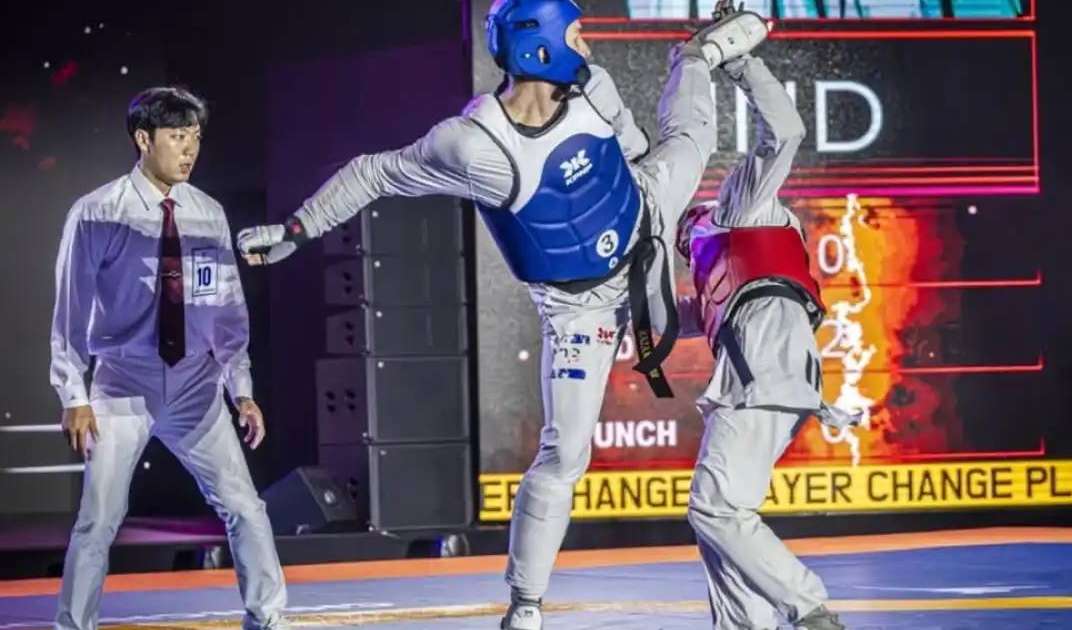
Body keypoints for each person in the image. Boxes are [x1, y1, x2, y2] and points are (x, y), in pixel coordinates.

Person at [234, 2, 769, 627]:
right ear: (540, 49)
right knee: (565, 453)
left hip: (646, 215)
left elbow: (636, 151)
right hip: (579, 311)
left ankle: (696, 55)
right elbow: (372, 174)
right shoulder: (471, 144)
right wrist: (295, 230)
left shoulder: (594, 87)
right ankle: (526, 604)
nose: (589, 49)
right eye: (577, 36)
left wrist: (659, 229)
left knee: (691, 139)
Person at [50, 87, 287, 630]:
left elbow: (227, 311)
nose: (189, 150)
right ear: (143, 139)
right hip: (122, 383)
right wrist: (75, 394)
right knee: (99, 518)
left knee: (245, 507)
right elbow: (69, 311)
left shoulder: (208, 213)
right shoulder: (96, 214)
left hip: (195, 384)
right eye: (177, 137)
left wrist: (242, 390)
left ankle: (270, 619)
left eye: (196, 138)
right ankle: (73, 626)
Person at [674, 53, 855, 629]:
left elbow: (786, 131)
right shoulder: (712, 273)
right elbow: (658, 320)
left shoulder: (740, 211)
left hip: (768, 370)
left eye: (685, 226)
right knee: (723, 519)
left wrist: (742, 63)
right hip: (774, 374)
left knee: (716, 507)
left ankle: (808, 607)